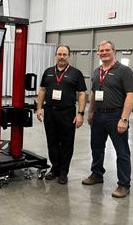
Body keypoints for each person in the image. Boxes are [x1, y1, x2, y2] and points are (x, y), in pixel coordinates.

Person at [82, 40, 133, 198]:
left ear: (114, 51)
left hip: (116, 115)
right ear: (98, 53)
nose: (104, 53)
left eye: (107, 50)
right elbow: (93, 93)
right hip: (98, 115)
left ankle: (124, 184)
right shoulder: (96, 71)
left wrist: (124, 119)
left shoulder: (124, 71)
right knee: (96, 148)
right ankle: (97, 174)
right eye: (101, 51)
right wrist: (90, 111)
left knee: (122, 152)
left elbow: (131, 95)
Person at [36, 45, 87, 184]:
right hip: (50, 112)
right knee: (52, 142)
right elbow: (42, 90)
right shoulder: (48, 72)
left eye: (65, 54)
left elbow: (82, 94)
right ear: (55, 56)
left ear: (69, 56)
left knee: (66, 143)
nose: (62, 57)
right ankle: (55, 168)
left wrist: (80, 113)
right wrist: (39, 108)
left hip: (67, 113)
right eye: (59, 54)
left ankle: (64, 172)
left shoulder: (76, 73)